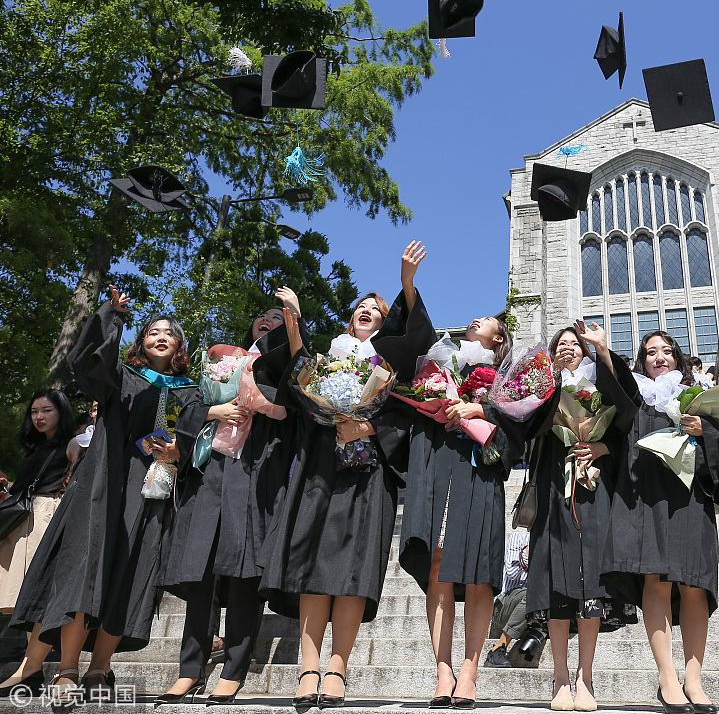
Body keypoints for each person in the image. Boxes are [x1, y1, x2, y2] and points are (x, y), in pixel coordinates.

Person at [9, 288, 206, 707]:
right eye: (152, 331)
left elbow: (191, 437)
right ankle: (65, 671)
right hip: (103, 485)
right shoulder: (122, 378)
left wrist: (177, 451)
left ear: (178, 346)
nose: (159, 336)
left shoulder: (192, 390)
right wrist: (111, 316)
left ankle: (100, 668)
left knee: (130, 577)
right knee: (84, 569)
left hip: (150, 494)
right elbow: (86, 363)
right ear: (141, 340)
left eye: (168, 333)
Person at [259, 248, 423, 712]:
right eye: (360, 308)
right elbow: (297, 386)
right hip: (321, 471)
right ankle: (308, 667)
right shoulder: (327, 359)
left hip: (369, 475)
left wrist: (368, 426)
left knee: (352, 572)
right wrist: (293, 332)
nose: (366, 312)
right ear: (350, 319)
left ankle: (337, 667)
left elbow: (408, 410)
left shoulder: (393, 366)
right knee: (311, 564)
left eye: (377, 310)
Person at [376, 259, 526, 709]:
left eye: (487, 322)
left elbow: (522, 430)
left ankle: (469, 669)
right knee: (438, 570)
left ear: (498, 339)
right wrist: (408, 285)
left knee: (479, 574)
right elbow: (413, 337)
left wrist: (482, 411)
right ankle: (442, 670)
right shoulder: (438, 365)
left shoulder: (507, 378)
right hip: (437, 464)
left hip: (479, 469)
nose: (476, 320)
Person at [156, 292, 301, 706]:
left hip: (257, 474)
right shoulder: (221, 364)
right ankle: (190, 668)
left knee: (243, 576)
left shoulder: (287, 367)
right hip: (213, 473)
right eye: (262, 316)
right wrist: (210, 413)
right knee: (200, 574)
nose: (267, 320)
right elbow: (189, 408)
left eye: (278, 317)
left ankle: (234, 670)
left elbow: (298, 407)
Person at [600, 330, 719, 714]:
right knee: (655, 579)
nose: (660, 357)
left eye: (667, 350)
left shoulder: (699, 392)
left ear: (678, 356)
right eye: (651, 352)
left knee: (694, 584)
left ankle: (694, 678)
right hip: (645, 494)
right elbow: (612, 416)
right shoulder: (635, 395)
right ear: (641, 360)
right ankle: (667, 677)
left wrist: (703, 431)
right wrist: (603, 349)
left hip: (689, 495)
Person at [524, 323, 637, 711]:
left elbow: (627, 419)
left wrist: (601, 446)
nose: (568, 349)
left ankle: (585, 676)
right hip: (553, 484)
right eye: (562, 345)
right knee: (556, 577)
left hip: (593, 488)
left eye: (574, 344)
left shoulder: (600, 383)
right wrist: (546, 384)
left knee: (591, 577)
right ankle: (559, 677)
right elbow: (524, 426)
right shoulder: (541, 386)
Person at [0, 390, 75, 698]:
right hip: (26, 523)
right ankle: (27, 668)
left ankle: (28, 669)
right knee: (27, 598)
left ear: (61, 411)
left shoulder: (72, 443)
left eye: (46, 410)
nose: (39, 416)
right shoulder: (37, 447)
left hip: (45, 518)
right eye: (34, 411)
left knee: (37, 594)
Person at [484, 531, 531, 668]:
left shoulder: (555, 544)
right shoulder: (520, 537)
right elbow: (512, 573)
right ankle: (498, 648)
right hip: (505, 605)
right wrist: (533, 546)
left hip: (535, 610)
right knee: (532, 595)